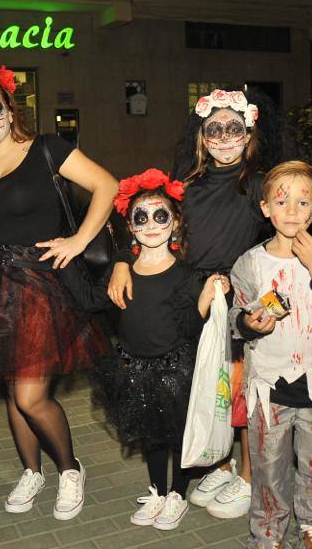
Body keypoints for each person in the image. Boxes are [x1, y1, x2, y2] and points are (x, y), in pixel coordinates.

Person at [108, 88, 281, 519]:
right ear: (202, 137)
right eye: (214, 130)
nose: (223, 138)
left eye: (233, 129)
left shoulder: (258, 181)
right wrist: (121, 262)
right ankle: (217, 462)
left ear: (248, 134)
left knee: (241, 386)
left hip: (235, 291)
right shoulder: (186, 183)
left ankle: (247, 475)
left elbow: (290, 216)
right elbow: (149, 220)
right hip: (191, 293)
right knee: (208, 385)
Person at [0, 61, 118, 521]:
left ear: (10, 110)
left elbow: (106, 184)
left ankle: (70, 468)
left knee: (30, 396)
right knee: (14, 392)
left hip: (41, 286)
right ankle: (32, 471)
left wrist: (81, 239)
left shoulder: (46, 148)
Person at [230, 161, 312, 549]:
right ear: (265, 207)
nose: (291, 211)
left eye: (303, 203)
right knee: (268, 468)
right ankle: (267, 533)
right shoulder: (250, 262)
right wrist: (251, 322)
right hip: (267, 387)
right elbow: (237, 318)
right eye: (281, 201)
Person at [91, 169, 226, 530]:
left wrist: (205, 298)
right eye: (141, 217)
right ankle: (156, 490)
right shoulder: (121, 272)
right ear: (131, 227)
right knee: (152, 435)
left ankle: (178, 495)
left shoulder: (185, 275)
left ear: (175, 223)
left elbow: (189, 329)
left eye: (160, 215)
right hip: (135, 367)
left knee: (180, 434)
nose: (151, 224)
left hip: (177, 368)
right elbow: (92, 303)